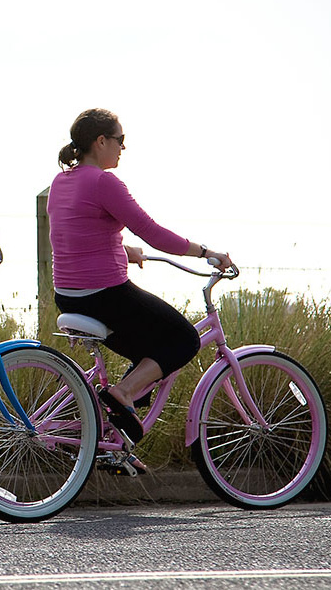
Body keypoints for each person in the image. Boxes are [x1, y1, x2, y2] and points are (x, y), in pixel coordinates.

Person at [47, 108, 232, 455]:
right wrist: (205, 251)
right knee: (183, 340)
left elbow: (78, 230)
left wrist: (122, 248)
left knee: (151, 357)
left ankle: (110, 439)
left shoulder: (63, 181)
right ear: (101, 142)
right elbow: (153, 233)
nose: (123, 148)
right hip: (105, 295)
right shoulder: (104, 182)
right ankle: (123, 394)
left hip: (69, 296)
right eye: (120, 140)